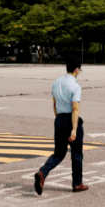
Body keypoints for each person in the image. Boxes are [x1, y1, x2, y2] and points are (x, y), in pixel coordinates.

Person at [34, 58, 88, 195]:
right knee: (76, 154)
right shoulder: (75, 86)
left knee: (58, 153)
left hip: (59, 120)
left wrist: (59, 120)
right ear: (76, 70)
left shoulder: (56, 83)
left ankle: (43, 172)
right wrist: (74, 129)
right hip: (71, 120)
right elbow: (75, 109)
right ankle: (77, 184)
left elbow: (54, 104)